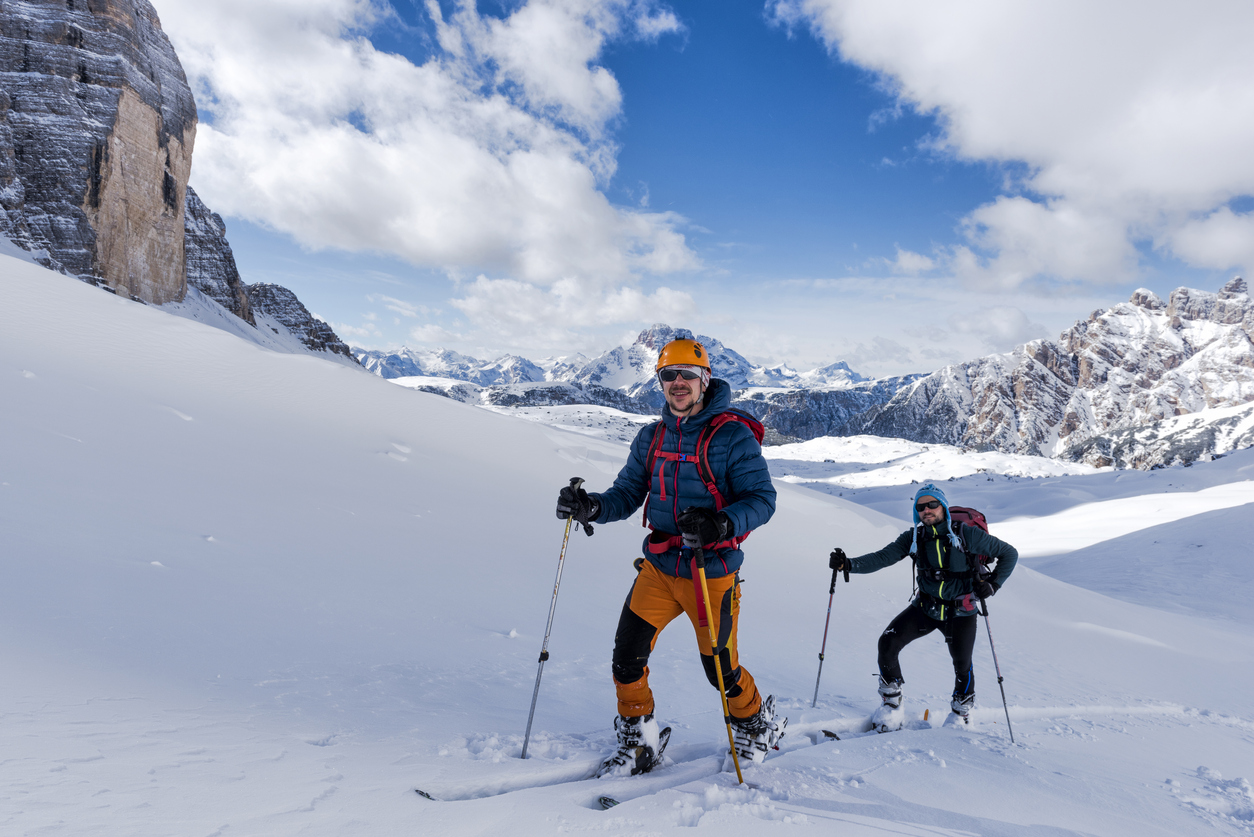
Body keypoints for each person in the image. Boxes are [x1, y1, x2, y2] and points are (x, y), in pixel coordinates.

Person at [556, 338, 784, 775]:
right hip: (660, 569)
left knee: (721, 673)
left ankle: (754, 724)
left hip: (711, 571)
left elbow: (763, 499)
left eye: (687, 375)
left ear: (704, 381)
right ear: (660, 381)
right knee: (626, 659)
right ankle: (640, 739)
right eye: (668, 375)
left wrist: (720, 523)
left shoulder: (732, 436)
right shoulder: (652, 437)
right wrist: (593, 507)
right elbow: (627, 493)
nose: (677, 383)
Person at [829, 483, 1017, 729]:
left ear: (943, 507)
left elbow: (1009, 553)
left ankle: (961, 713)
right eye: (920, 506)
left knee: (962, 664)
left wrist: (993, 584)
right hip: (926, 608)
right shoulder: (914, 537)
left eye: (932, 504)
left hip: (961, 611)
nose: (926, 510)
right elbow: (883, 557)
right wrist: (848, 564)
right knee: (887, 643)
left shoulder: (965, 535)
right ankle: (892, 705)